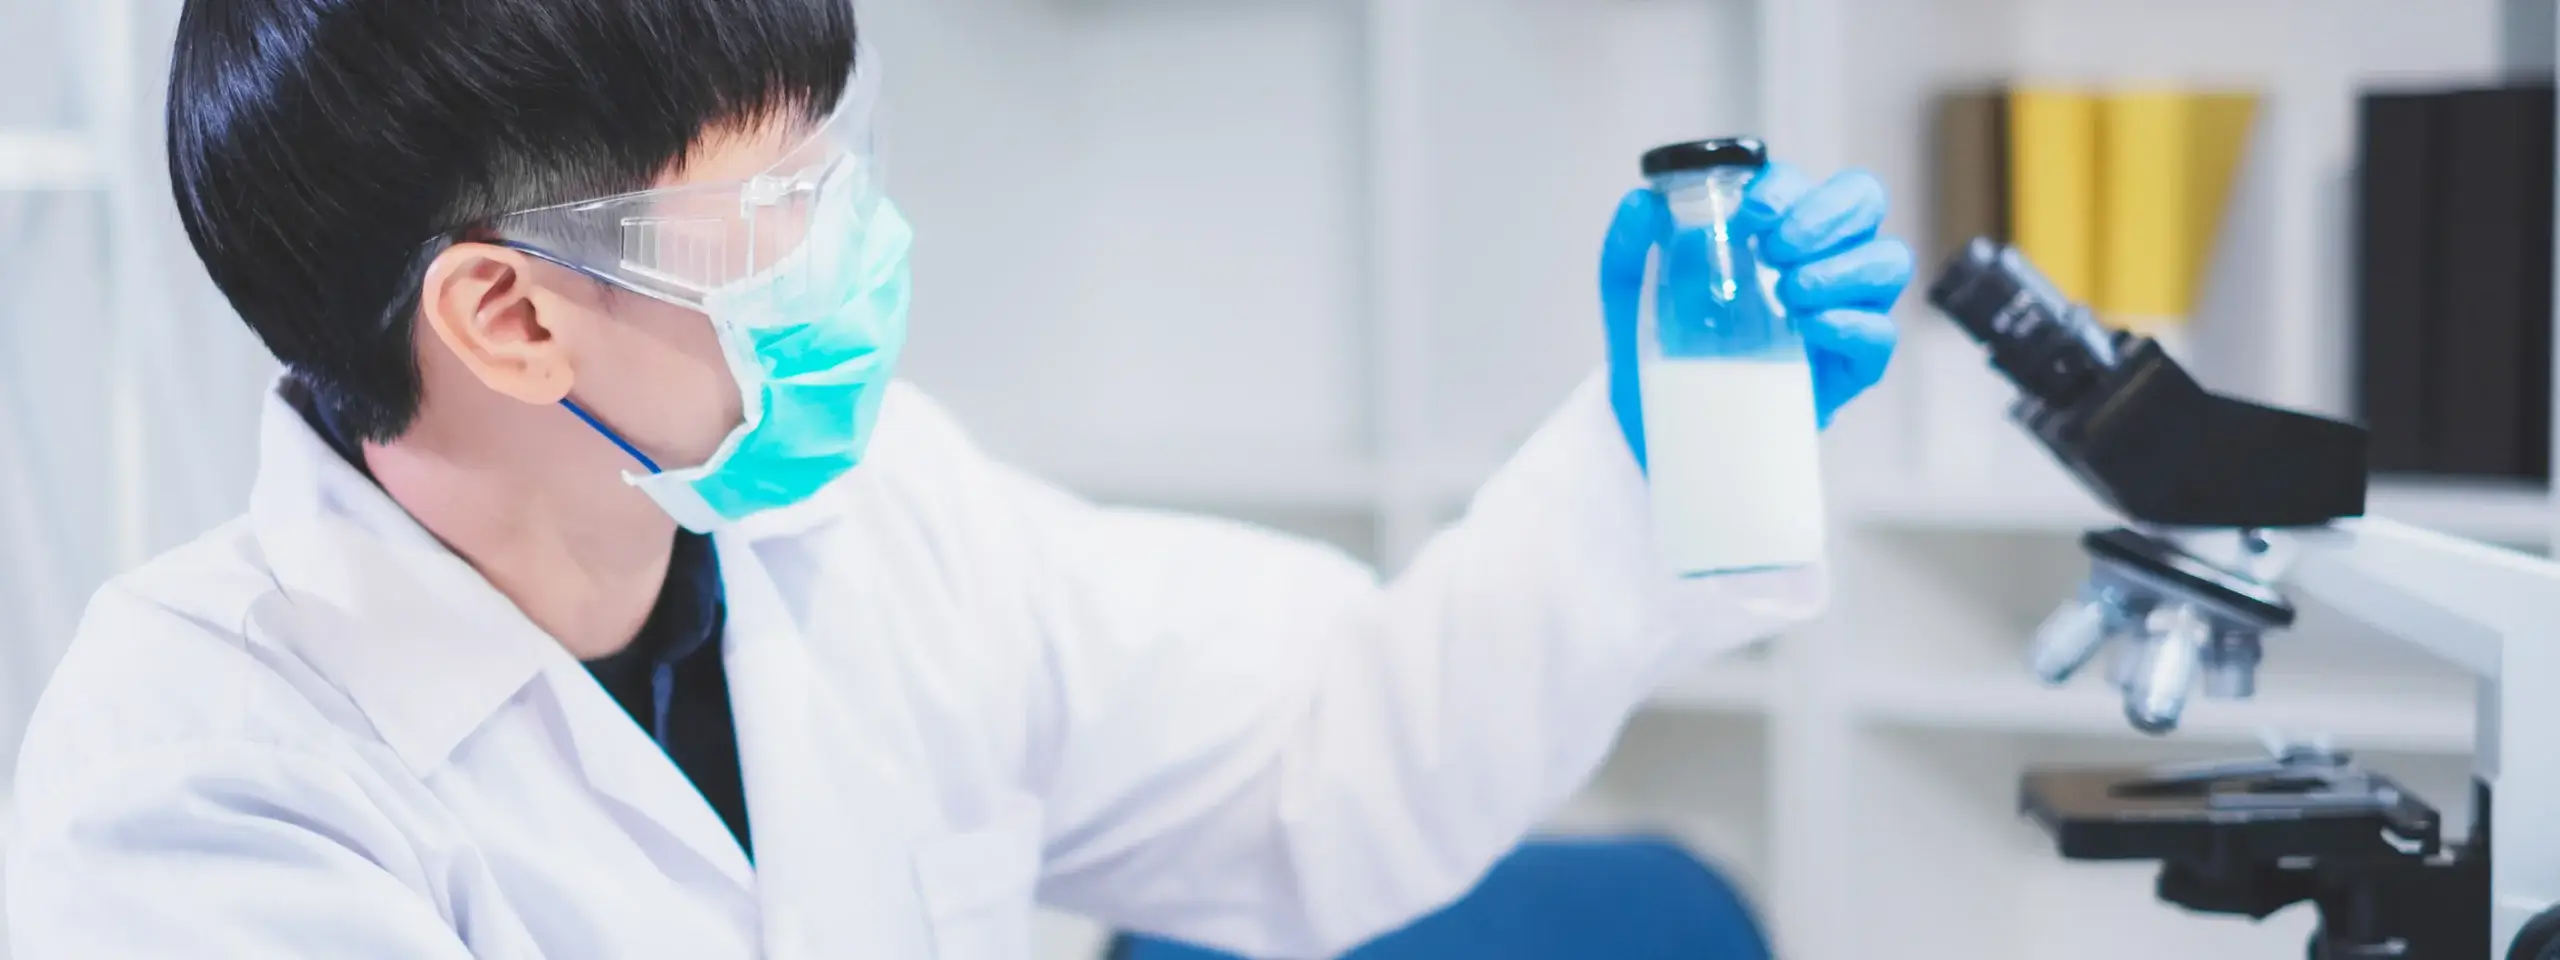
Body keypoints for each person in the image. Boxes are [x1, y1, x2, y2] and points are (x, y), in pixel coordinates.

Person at [4, 0, 1910, 956]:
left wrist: (1633, 460)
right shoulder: (194, 780)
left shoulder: (866, 517)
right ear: (509, 319)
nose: (860, 241)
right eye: (779, 205)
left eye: (844, 158)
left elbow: (1324, 764)